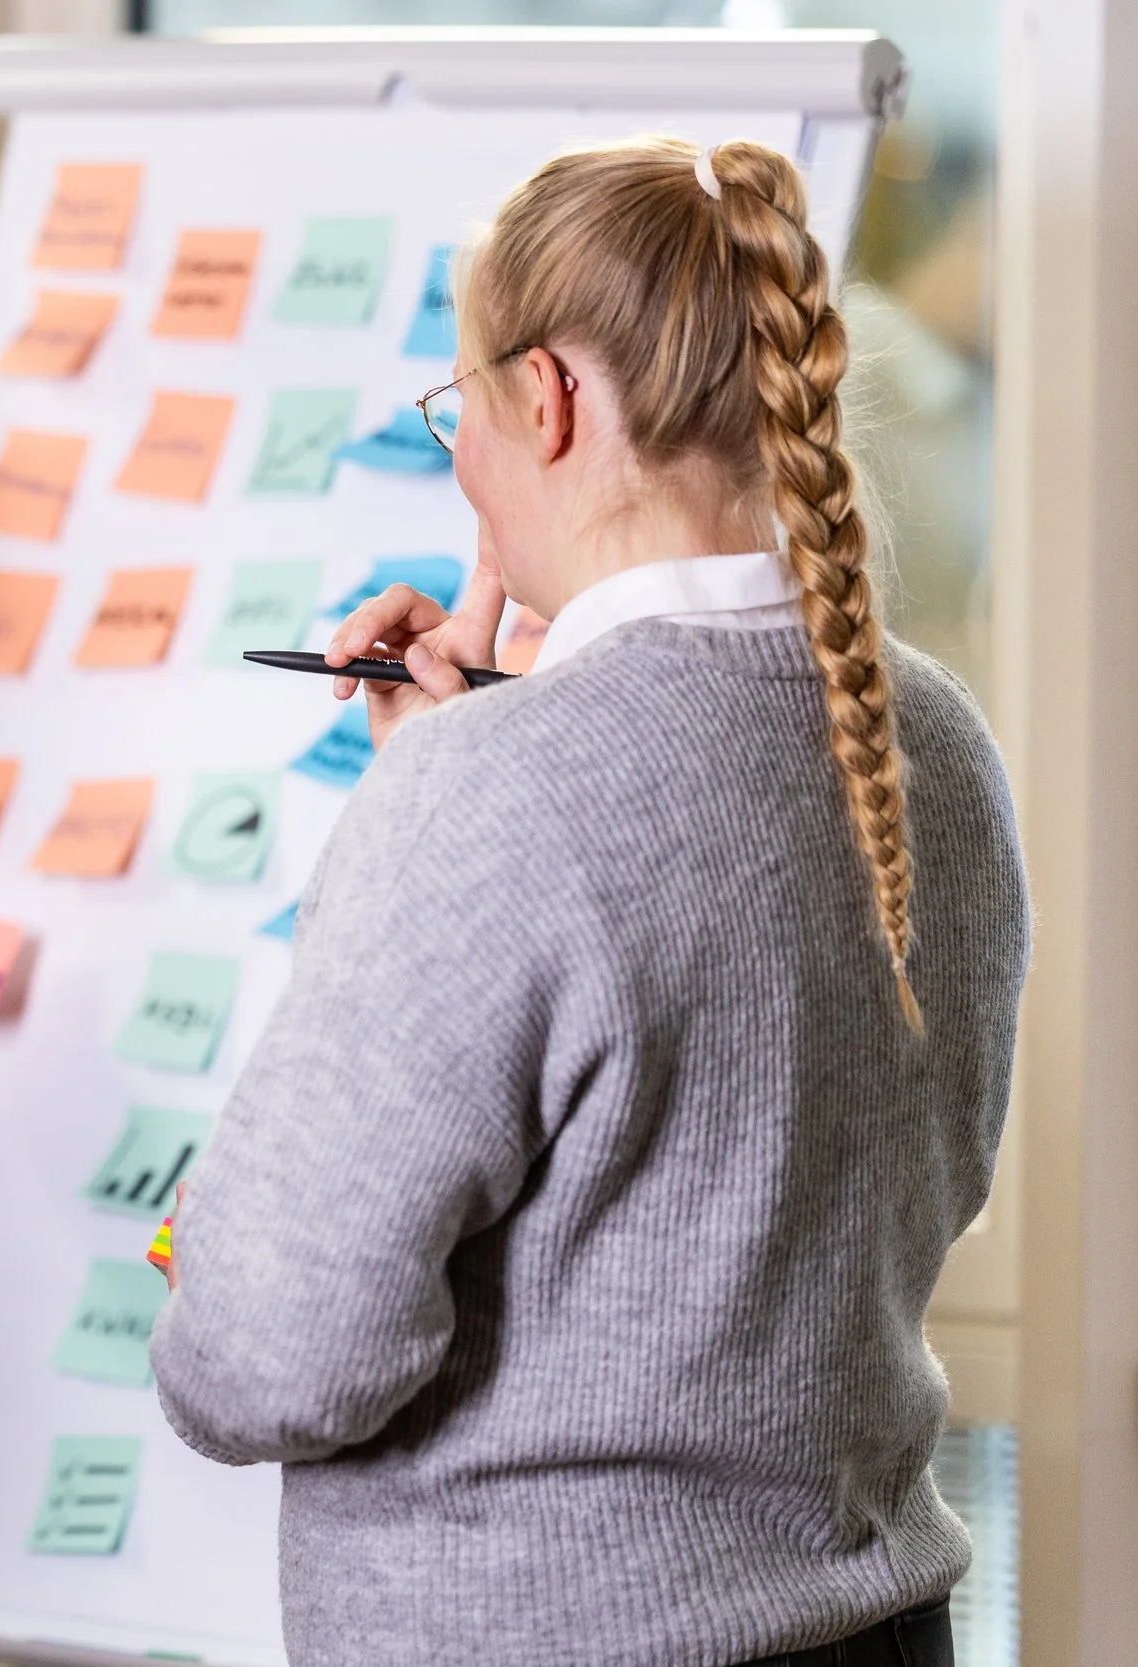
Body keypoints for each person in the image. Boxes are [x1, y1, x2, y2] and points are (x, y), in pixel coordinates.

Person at [149, 136, 1028, 1667]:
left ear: (545, 398)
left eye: (459, 406)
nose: (462, 454)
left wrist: (447, 802)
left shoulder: (494, 798)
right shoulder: (937, 739)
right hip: (878, 1628)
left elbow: (264, 1355)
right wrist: (467, 775)